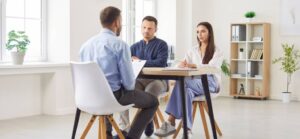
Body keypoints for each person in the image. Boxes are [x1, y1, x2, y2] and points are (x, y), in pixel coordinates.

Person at [79, 6, 159, 139]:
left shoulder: (85, 46)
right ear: (116, 22)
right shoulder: (120, 45)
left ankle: (107, 134)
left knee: (105, 90)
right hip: (112, 98)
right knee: (153, 102)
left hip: (86, 97)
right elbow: (129, 85)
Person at [154, 22, 223, 138]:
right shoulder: (192, 50)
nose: (199, 34)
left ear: (209, 33)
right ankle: (187, 130)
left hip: (210, 82)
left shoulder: (217, 51)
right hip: (192, 83)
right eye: (197, 32)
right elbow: (183, 65)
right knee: (187, 92)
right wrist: (181, 65)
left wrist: (194, 65)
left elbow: (212, 68)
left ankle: (171, 121)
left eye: (203, 31)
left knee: (183, 82)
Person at [118, 16, 169, 137]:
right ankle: (124, 128)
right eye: (144, 27)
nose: (146, 30)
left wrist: (140, 61)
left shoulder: (162, 45)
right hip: (139, 80)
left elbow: (161, 62)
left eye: (150, 28)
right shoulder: (134, 46)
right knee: (124, 91)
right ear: (141, 28)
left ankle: (147, 121)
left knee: (150, 93)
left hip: (158, 80)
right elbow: (126, 62)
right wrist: (130, 60)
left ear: (155, 29)